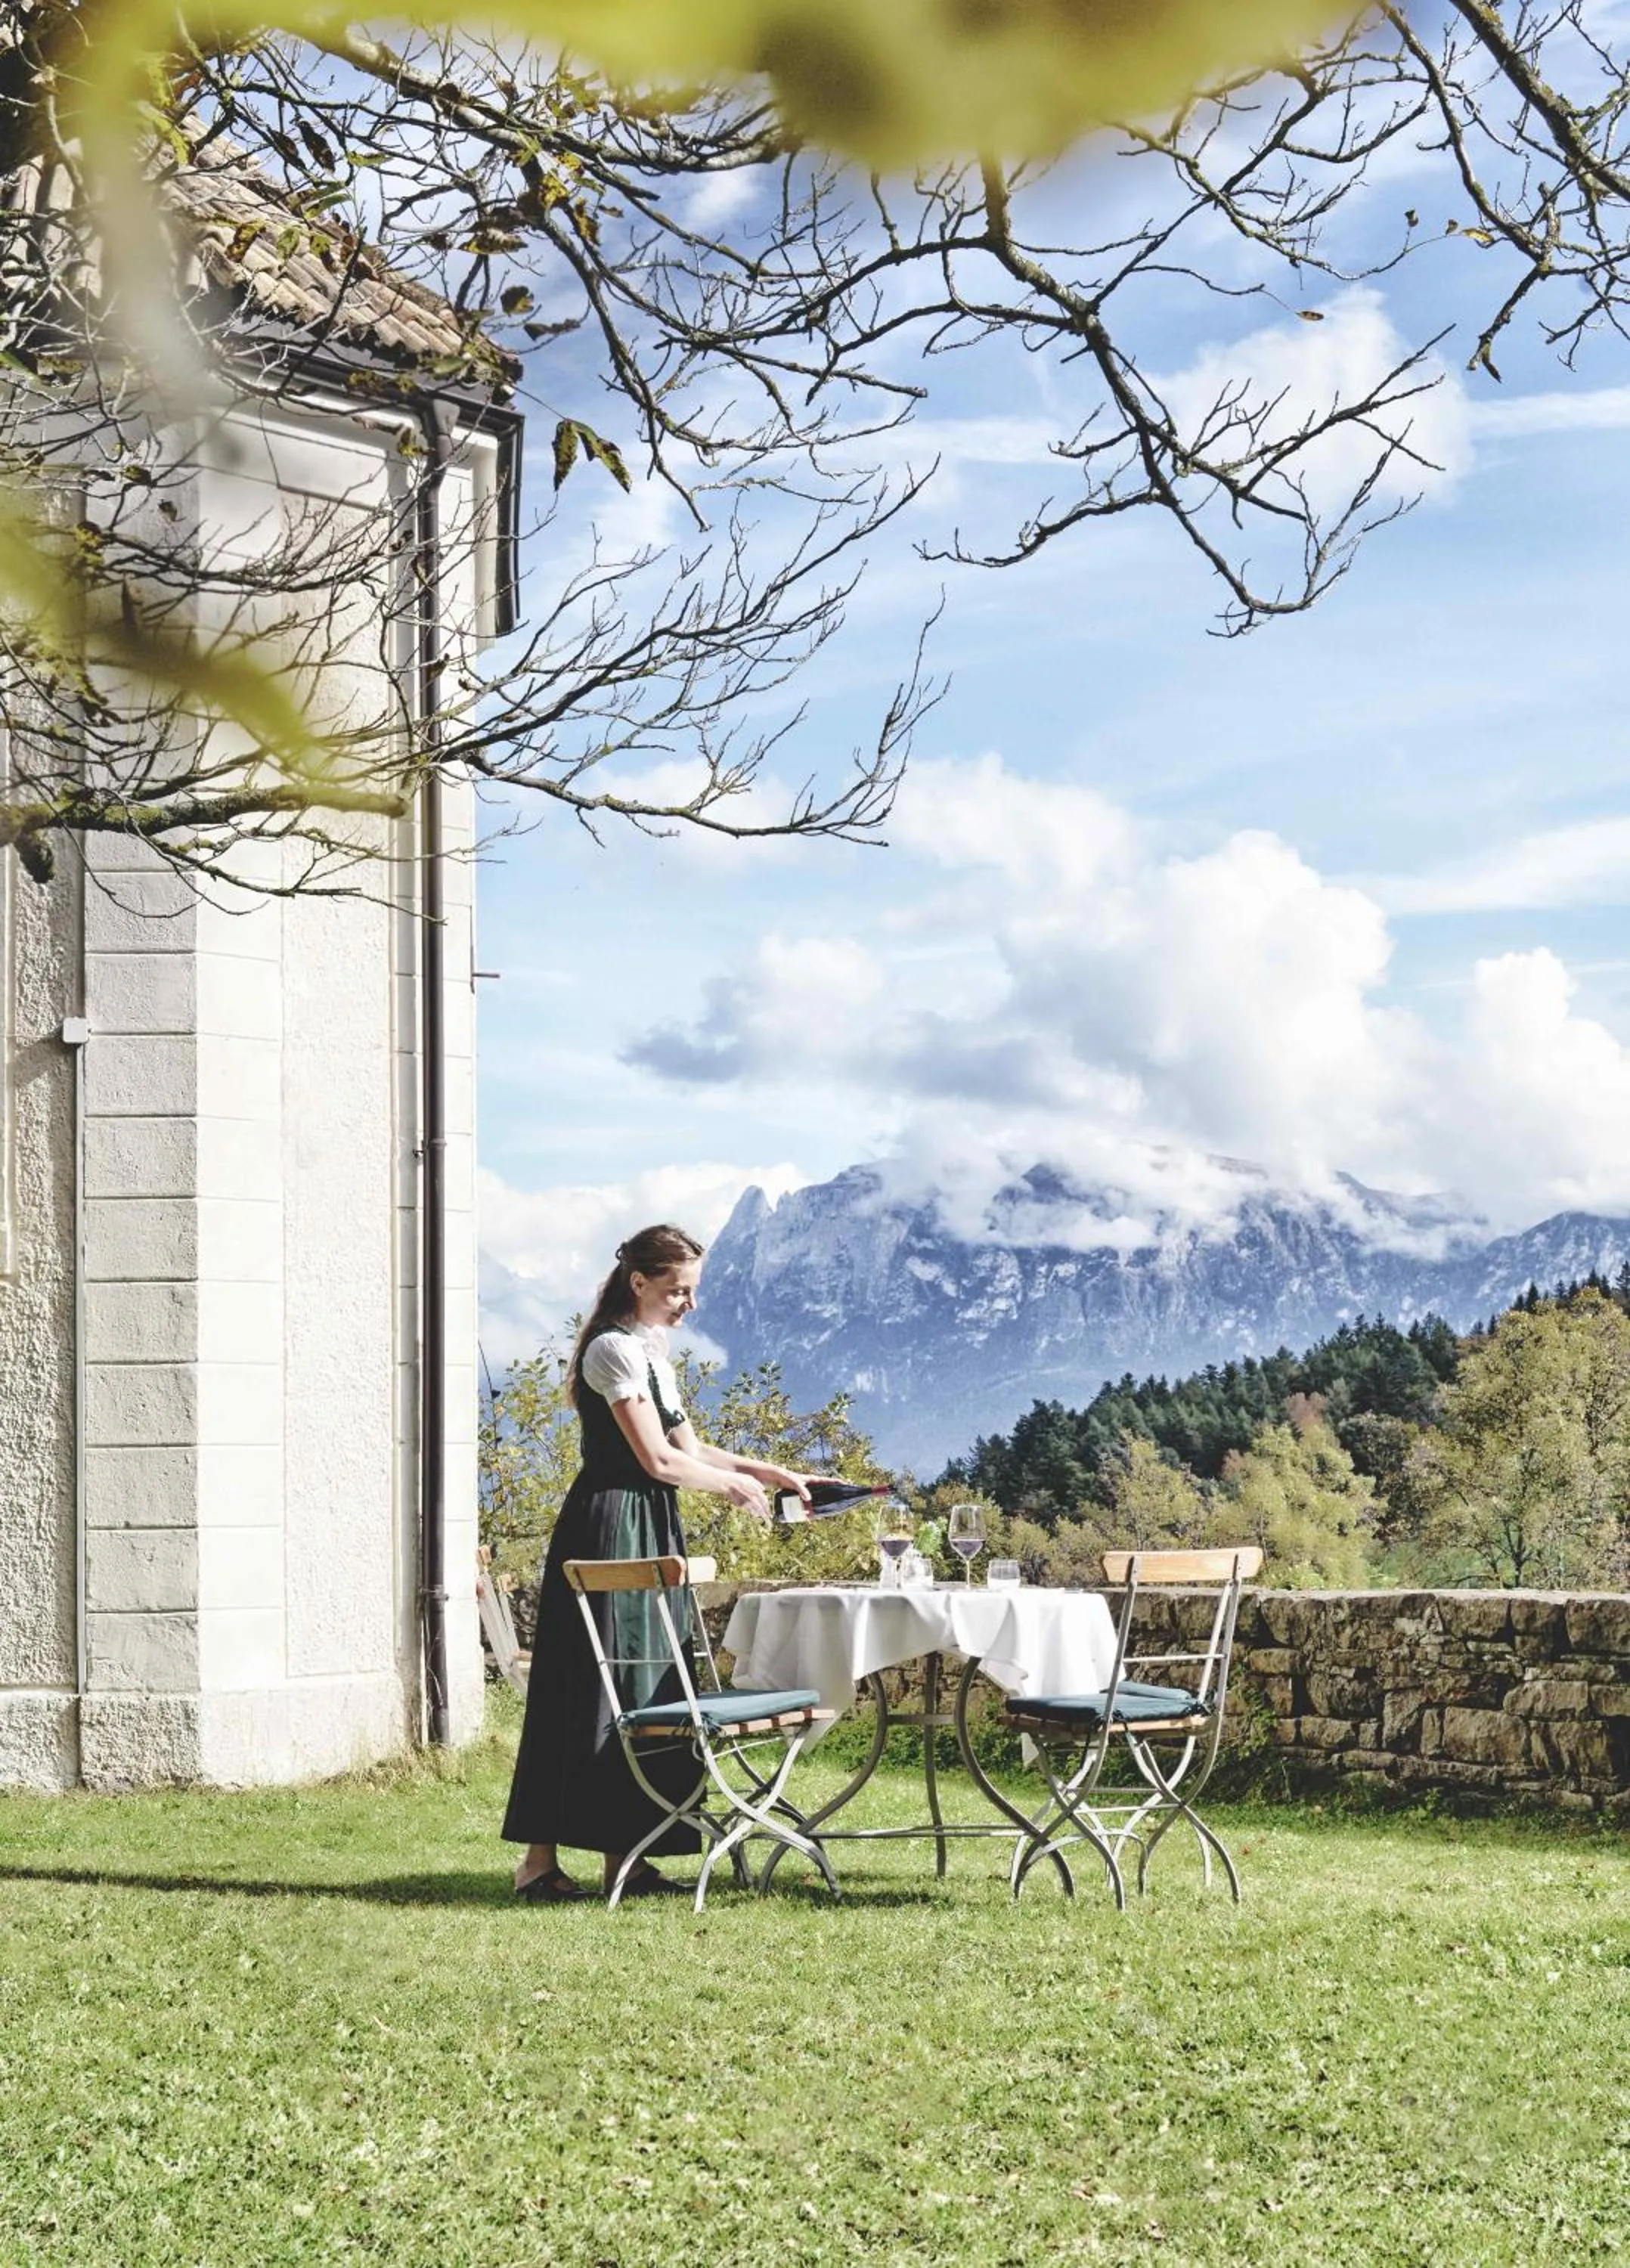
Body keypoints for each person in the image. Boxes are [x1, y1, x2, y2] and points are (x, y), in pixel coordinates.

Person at [500, 1222, 820, 1901]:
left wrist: (769, 1472)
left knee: (649, 1681)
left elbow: (690, 1451)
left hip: (651, 1523)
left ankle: (630, 1858)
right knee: (589, 1682)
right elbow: (656, 1460)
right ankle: (538, 1863)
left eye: (693, 1291)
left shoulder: (650, 1350)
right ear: (639, 1282)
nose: (689, 1305)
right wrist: (729, 1489)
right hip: (612, 1524)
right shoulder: (612, 1350)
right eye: (678, 1291)